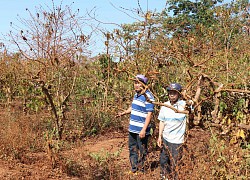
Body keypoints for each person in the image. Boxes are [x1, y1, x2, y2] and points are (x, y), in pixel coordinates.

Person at [117, 74, 155, 174]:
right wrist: (124, 112)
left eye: (138, 83)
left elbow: (149, 114)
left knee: (142, 150)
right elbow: (133, 108)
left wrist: (143, 129)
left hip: (141, 130)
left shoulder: (148, 97)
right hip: (132, 129)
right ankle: (134, 169)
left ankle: (142, 170)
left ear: (144, 84)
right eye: (135, 83)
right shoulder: (136, 95)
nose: (136, 85)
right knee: (132, 149)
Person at [157, 83, 188, 180]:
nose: (172, 95)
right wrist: (159, 136)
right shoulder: (164, 106)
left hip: (177, 141)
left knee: (176, 163)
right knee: (163, 161)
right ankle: (164, 177)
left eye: (174, 93)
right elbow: (162, 122)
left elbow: (193, 110)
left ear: (178, 94)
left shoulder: (184, 105)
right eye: (170, 93)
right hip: (166, 138)